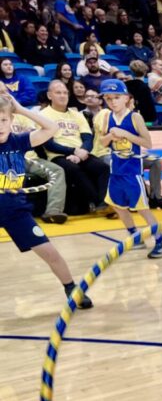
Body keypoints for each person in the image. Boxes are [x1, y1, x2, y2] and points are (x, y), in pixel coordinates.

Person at [0, 88, 92, 308]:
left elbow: (52, 128)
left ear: (11, 120)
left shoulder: (19, 141)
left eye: (3, 120)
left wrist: (21, 109)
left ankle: (71, 288)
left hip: (15, 210)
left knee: (50, 252)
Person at [94, 79, 162, 259]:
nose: (112, 102)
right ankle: (135, 237)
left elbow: (147, 143)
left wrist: (126, 134)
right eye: (108, 98)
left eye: (116, 97)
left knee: (142, 209)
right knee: (118, 206)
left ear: (126, 97)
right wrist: (110, 136)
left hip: (132, 172)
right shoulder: (106, 117)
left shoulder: (135, 117)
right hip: (116, 171)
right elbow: (102, 143)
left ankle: (161, 243)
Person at [41, 79, 110, 215]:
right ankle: (98, 202)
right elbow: (48, 144)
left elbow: (88, 138)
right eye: (58, 93)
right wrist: (73, 151)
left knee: (103, 168)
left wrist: (81, 152)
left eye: (65, 93)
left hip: (80, 153)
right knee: (74, 169)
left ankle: (104, 204)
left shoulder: (77, 115)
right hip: (58, 155)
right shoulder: (43, 115)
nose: (63, 96)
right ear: (49, 95)